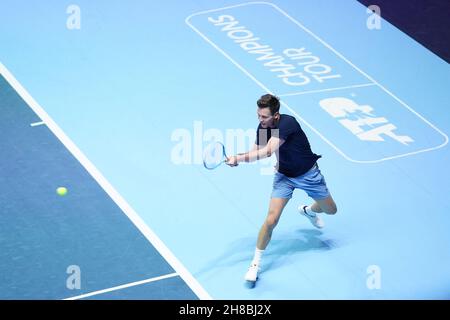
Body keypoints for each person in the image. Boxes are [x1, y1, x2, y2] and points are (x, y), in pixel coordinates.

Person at [225, 94, 338, 282]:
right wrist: (237, 158)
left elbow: (268, 151)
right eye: (258, 115)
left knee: (331, 210)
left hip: (308, 175)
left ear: (276, 115)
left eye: (264, 117)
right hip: (284, 176)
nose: (260, 120)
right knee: (271, 220)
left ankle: (308, 210)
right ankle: (255, 264)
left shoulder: (288, 123)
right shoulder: (263, 127)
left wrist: (239, 158)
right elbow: (256, 153)